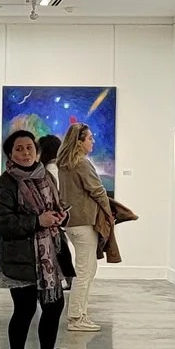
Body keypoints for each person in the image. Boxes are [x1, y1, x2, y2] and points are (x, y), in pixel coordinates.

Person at [0, 128, 75, 349]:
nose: (25, 153)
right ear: (10, 154)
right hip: (20, 258)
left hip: (50, 256)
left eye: (29, 148)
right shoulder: (5, 183)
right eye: (19, 149)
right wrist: (37, 221)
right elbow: (1, 222)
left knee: (54, 307)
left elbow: (56, 205)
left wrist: (61, 217)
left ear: (36, 151)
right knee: (24, 311)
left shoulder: (46, 176)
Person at [56, 120, 112, 333]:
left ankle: (81, 314)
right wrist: (108, 212)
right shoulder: (81, 163)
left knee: (87, 268)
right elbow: (97, 190)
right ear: (79, 142)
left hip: (72, 222)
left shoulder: (64, 163)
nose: (93, 141)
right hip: (84, 222)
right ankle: (76, 317)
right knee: (85, 271)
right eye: (89, 138)